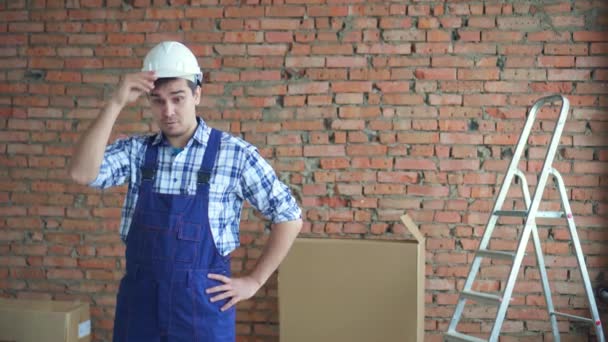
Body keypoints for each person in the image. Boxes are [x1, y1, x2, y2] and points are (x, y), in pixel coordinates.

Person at [68, 41, 303, 342]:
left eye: (177, 98)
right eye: (157, 101)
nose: (168, 111)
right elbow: (81, 173)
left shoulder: (234, 155)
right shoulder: (136, 152)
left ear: (197, 94)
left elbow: (289, 216)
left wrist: (255, 281)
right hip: (141, 311)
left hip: (202, 313)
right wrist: (114, 102)